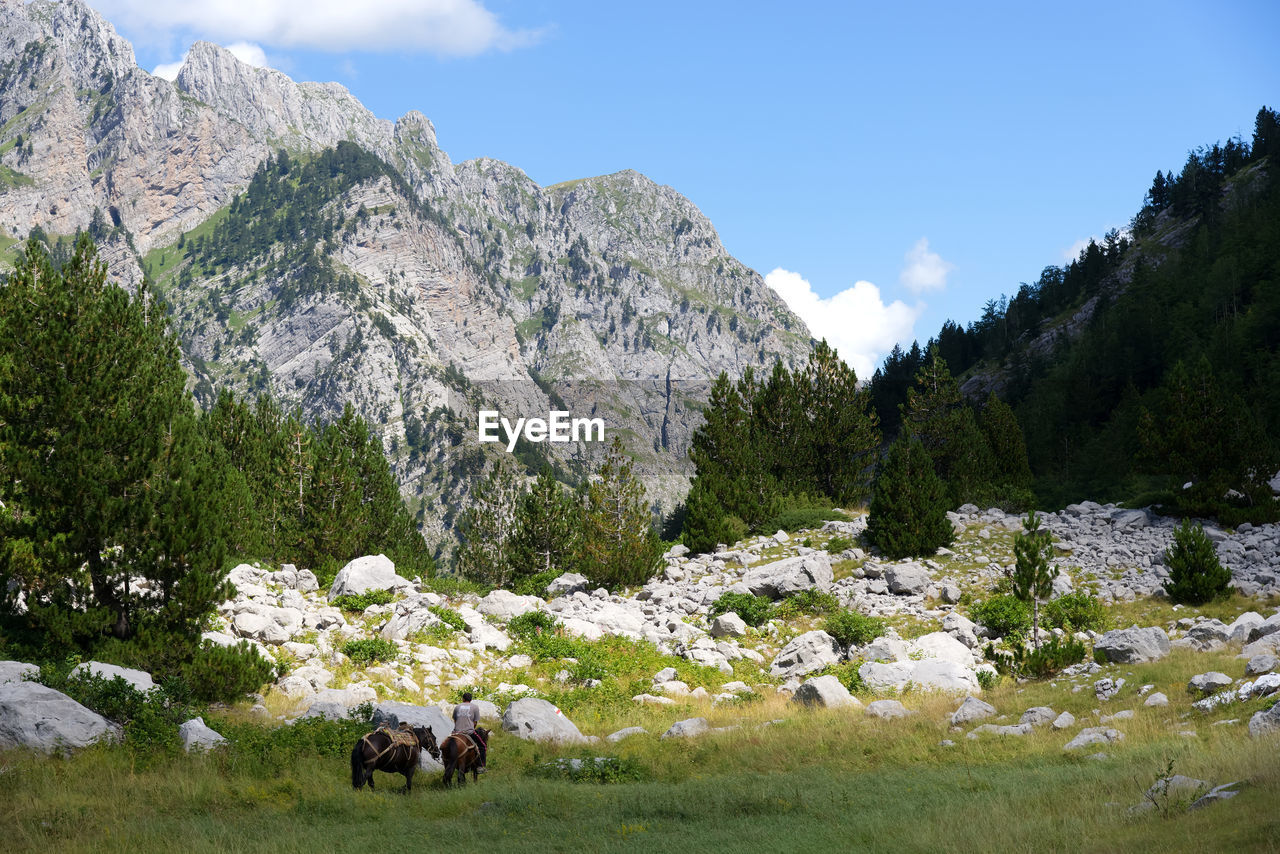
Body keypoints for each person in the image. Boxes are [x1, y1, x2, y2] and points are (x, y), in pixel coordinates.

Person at [452, 691, 487, 772]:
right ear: (471, 700)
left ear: (463, 699)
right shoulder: (475, 707)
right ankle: (480, 766)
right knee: (483, 746)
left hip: (456, 732)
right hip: (469, 732)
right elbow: (475, 722)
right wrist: (471, 727)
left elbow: (455, 720)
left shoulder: (457, 707)